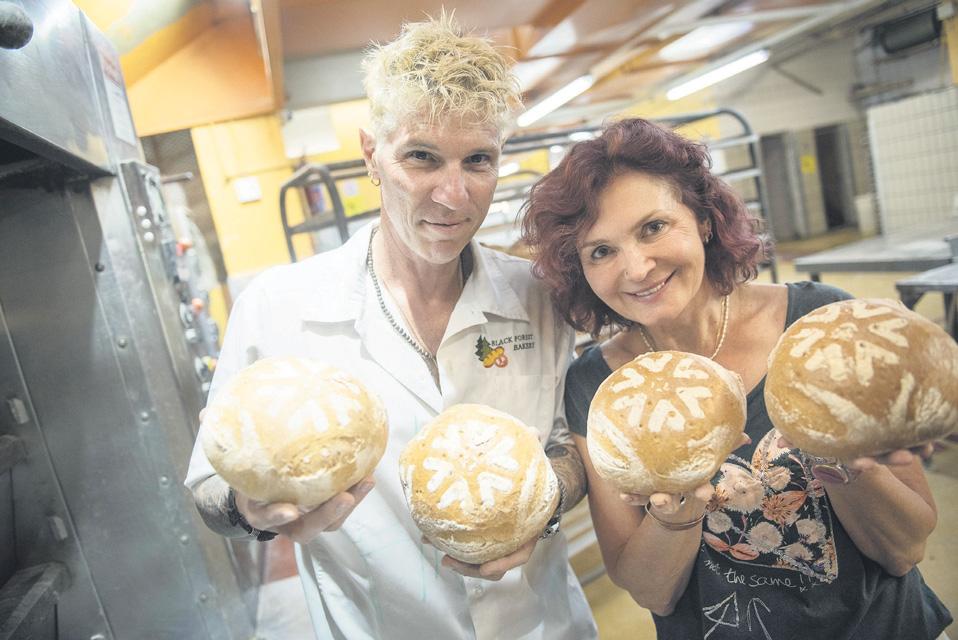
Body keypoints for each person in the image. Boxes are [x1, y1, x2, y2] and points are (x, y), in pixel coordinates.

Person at [184, 14, 597, 640]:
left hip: (542, 624)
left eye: (478, 160)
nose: (453, 197)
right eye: (422, 158)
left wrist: (540, 508)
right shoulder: (280, 306)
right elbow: (211, 487)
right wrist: (252, 509)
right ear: (371, 154)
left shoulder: (537, 296)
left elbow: (572, 445)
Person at [520, 117, 952, 639]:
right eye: (601, 251)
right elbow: (651, 591)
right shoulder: (597, 389)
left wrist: (844, 460)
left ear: (702, 218)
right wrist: (678, 510)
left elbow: (905, 549)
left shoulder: (816, 328)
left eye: (653, 227)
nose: (636, 268)